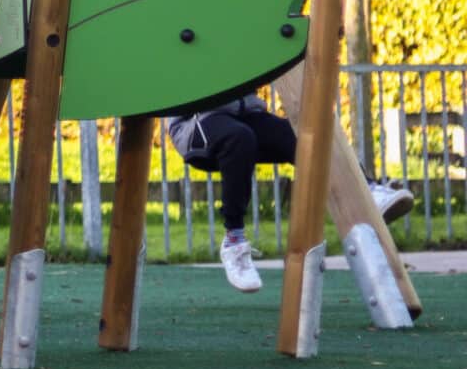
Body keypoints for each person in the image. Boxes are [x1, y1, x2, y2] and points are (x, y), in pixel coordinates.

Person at [170, 95, 412, 293]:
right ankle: (234, 240)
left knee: (309, 135)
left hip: (247, 114)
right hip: (196, 121)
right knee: (239, 138)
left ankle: (366, 191)